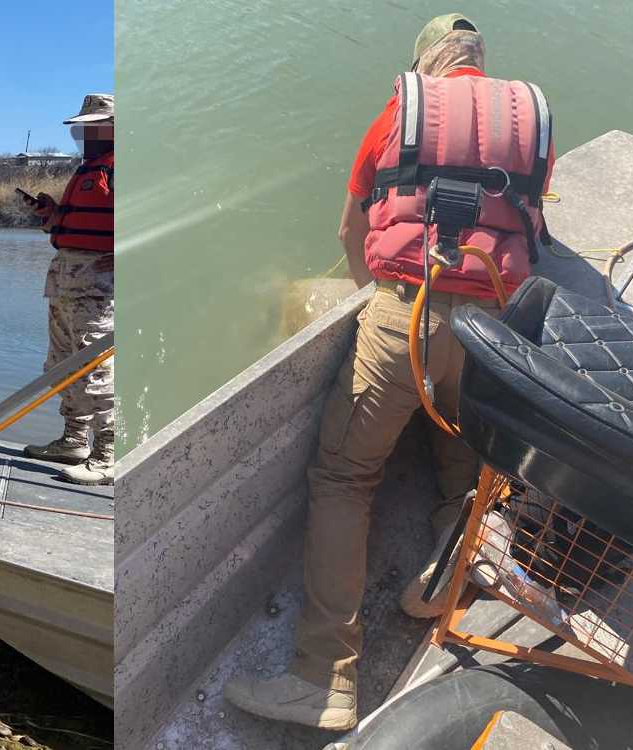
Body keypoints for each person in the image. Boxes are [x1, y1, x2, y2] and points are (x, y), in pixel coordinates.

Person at [224, 15, 555, 729]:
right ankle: (456, 557)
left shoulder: (400, 113)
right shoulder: (530, 118)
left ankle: (324, 679)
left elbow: (351, 230)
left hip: (409, 313)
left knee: (345, 477)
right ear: (479, 62)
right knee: (466, 444)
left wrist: (374, 298)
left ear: (427, 63)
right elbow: (531, 224)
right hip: (497, 326)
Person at [23, 93, 115, 486]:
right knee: (63, 363)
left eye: (95, 128)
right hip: (66, 279)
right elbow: (74, 225)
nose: (86, 135)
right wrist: (52, 214)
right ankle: (74, 440)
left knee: (98, 367)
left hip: (99, 286)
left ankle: (109, 454)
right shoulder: (89, 169)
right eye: (84, 129)